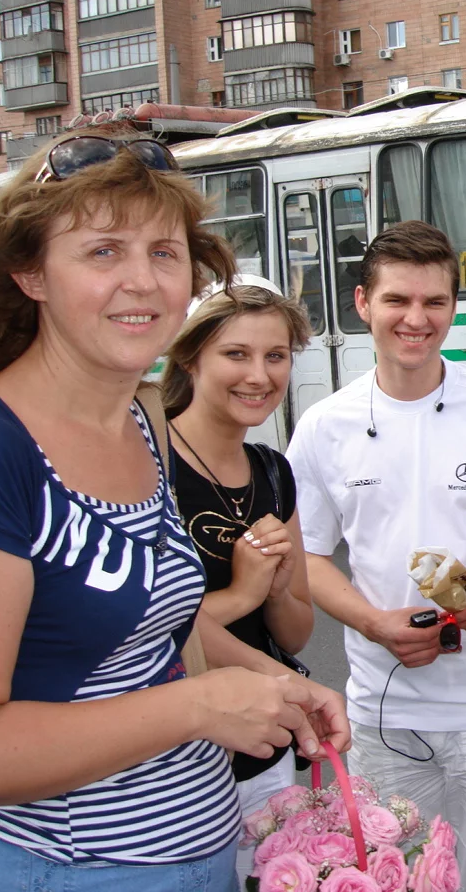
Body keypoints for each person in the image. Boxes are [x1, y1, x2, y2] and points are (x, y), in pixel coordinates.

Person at [0, 131, 348, 892]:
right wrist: (196, 707)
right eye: (103, 251)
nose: (143, 281)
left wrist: (279, 682)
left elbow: (158, 625)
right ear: (30, 272)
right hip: (74, 873)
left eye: (165, 253)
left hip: (201, 856)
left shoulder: (143, 419)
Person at [287, 220, 466, 892]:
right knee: (399, 877)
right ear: (363, 304)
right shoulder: (325, 424)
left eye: (434, 302)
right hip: (385, 708)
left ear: (453, 307)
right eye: (397, 300)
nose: (416, 319)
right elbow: (307, 555)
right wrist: (371, 621)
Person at [161, 278, 316, 883]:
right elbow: (145, 626)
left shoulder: (273, 470)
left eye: (275, 356)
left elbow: (296, 633)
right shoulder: (148, 463)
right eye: (236, 354)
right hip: (174, 756)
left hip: (263, 749)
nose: (259, 375)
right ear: (189, 356)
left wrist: (275, 590)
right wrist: (243, 593)